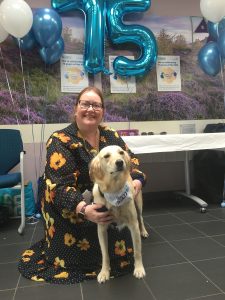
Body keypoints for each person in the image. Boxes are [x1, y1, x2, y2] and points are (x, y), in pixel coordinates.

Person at [18, 86, 146, 284]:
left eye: (96, 105)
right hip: (68, 204)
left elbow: (132, 160)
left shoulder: (110, 134)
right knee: (82, 253)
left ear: (103, 111)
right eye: (85, 104)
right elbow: (58, 188)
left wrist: (136, 181)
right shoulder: (59, 140)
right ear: (75, 109)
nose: (91, 109)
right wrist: (85, 210)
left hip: (105, 198)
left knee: (116, 235)